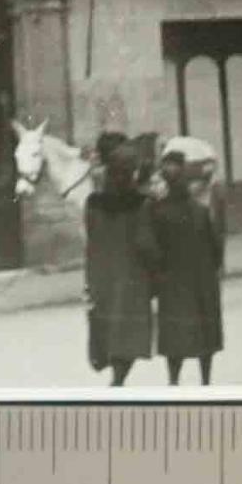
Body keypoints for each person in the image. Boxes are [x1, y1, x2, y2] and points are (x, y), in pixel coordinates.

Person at [83, 142, 159, 387]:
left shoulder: (92, 203)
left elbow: (90, 238)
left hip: (99, 276)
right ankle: (117, 381)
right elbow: (146, 243)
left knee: (107, 329)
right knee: (129, 335)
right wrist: (157, 271)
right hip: (132, 278)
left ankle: (115, 379)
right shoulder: (142, 204)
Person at [150, 146, 225, 386]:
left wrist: (156, 279)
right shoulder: (200, 211)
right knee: (205, 335)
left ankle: (174, 382)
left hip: (172, 284)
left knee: (175, 336)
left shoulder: (157, 212)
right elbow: (216, 248)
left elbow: (152, 251)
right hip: (202, 282)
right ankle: (206, 382)